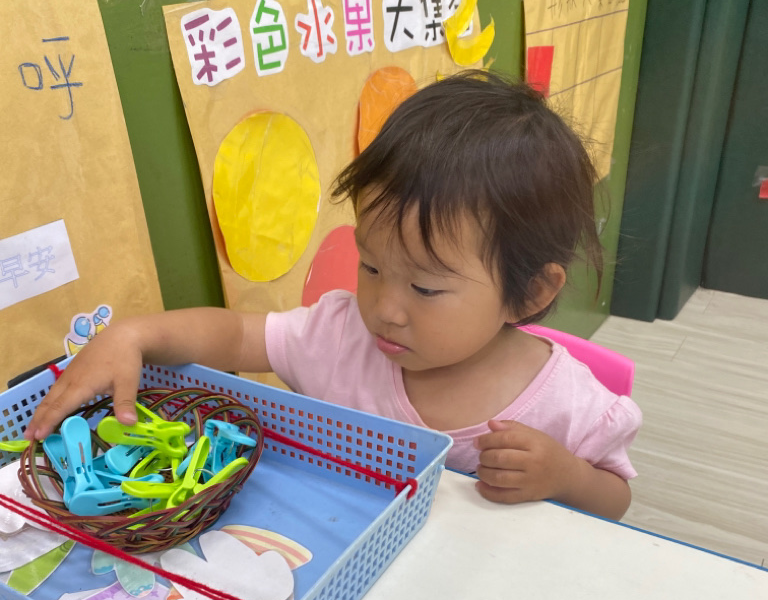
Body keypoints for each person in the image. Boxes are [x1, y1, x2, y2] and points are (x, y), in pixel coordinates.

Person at [29, 71, 641, 520]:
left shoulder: (565, 405)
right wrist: (133, 335)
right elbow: (238, 335)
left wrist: (566, 477)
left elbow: (615, 500)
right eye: (370, 266)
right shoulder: (340, 336)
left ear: (529, 292)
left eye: (425, 287)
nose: (385, 309)